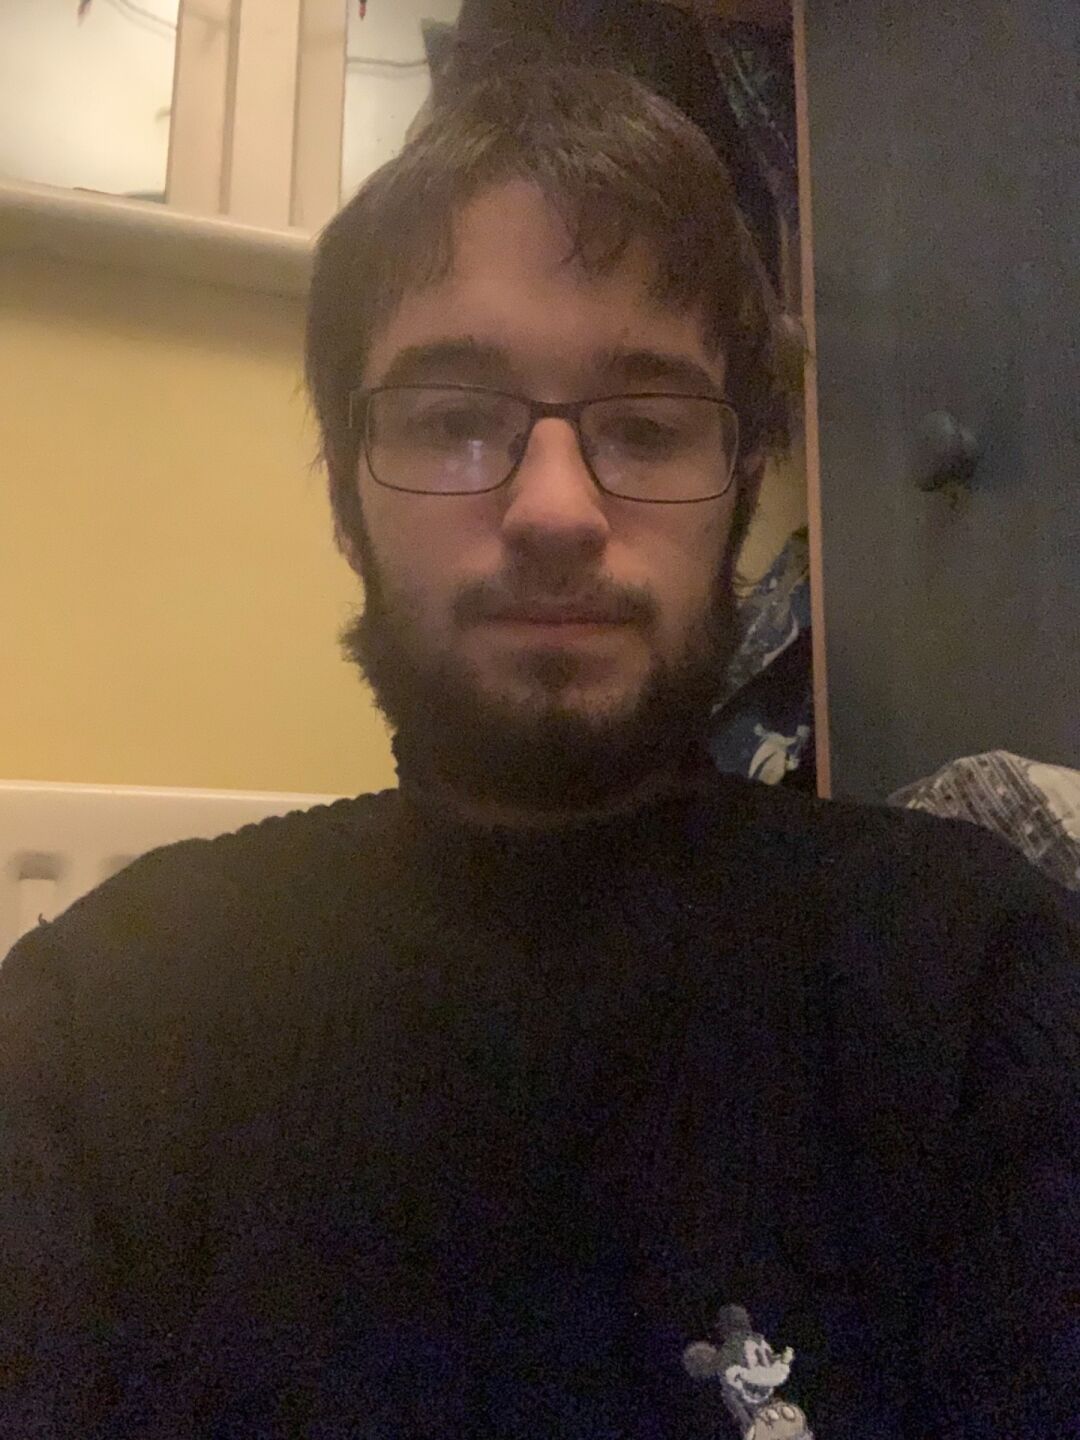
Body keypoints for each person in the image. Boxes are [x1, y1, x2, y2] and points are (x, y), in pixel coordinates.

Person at [1, 64, 1076, 1440]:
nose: (556, 509)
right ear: (344, 499)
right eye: (455, 421)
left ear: (742, 489)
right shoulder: (97, 1026)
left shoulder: (977, 986)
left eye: (647, 427)